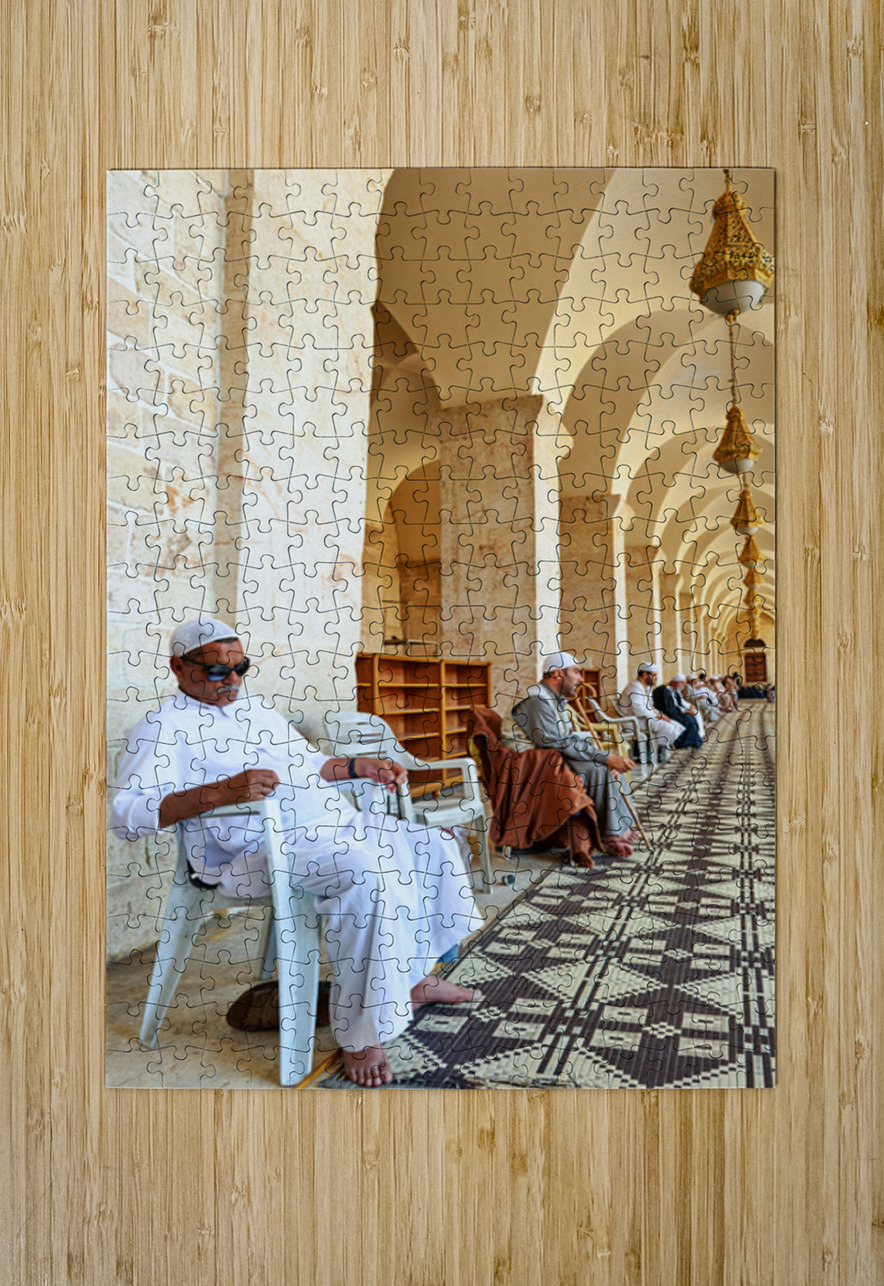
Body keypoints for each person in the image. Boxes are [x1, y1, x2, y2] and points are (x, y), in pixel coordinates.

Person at [111, 617, 483, 1088]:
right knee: (364, 873)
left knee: (432, 843)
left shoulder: (257, 710)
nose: (233, 680)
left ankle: (413, 979)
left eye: (240, 667)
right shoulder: (160, 728)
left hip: (327, 829)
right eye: (216, 672)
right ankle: (361, 1034)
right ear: (178, 669)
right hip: (250, 854)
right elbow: (126, 814)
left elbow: (309, 764)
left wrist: (357, 766)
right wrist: (221, 792)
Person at [511, 652, 639, 857]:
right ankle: (610, 835)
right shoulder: (537, 699)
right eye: (576, 672)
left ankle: (624, 824)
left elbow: (565, 738)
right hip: (529, 763)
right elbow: (555, 741)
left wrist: (606, 757)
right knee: (598, 769)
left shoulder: (554, 699)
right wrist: (604, 757)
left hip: (549, 756)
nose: (580, 679)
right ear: (557, 674)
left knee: (610, 767)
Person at [616, 662, 683, 760]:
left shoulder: (646, 688)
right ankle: (652, 752)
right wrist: (658, 716)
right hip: (633, 721)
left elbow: (651, 708)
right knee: (668, 727)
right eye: (654, 675)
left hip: (644, 719)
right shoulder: (634, 687)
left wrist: (661, 715)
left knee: (675, 725)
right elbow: (639, 710)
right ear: (644, 674)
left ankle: (656, 750)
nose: (656, 678)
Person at [652, 673, 704, 749]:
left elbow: (679, 704)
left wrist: (686, 710)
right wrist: (684, 712)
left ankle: (693, 742)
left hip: (675, 712)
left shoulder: (674, 690)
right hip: (669, 714)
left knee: (691, 718)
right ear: (677, 683)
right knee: (689, 720)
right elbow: (667, 709)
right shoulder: (663, 690)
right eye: (683, 684)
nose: (683, 687)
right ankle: (684, 743)